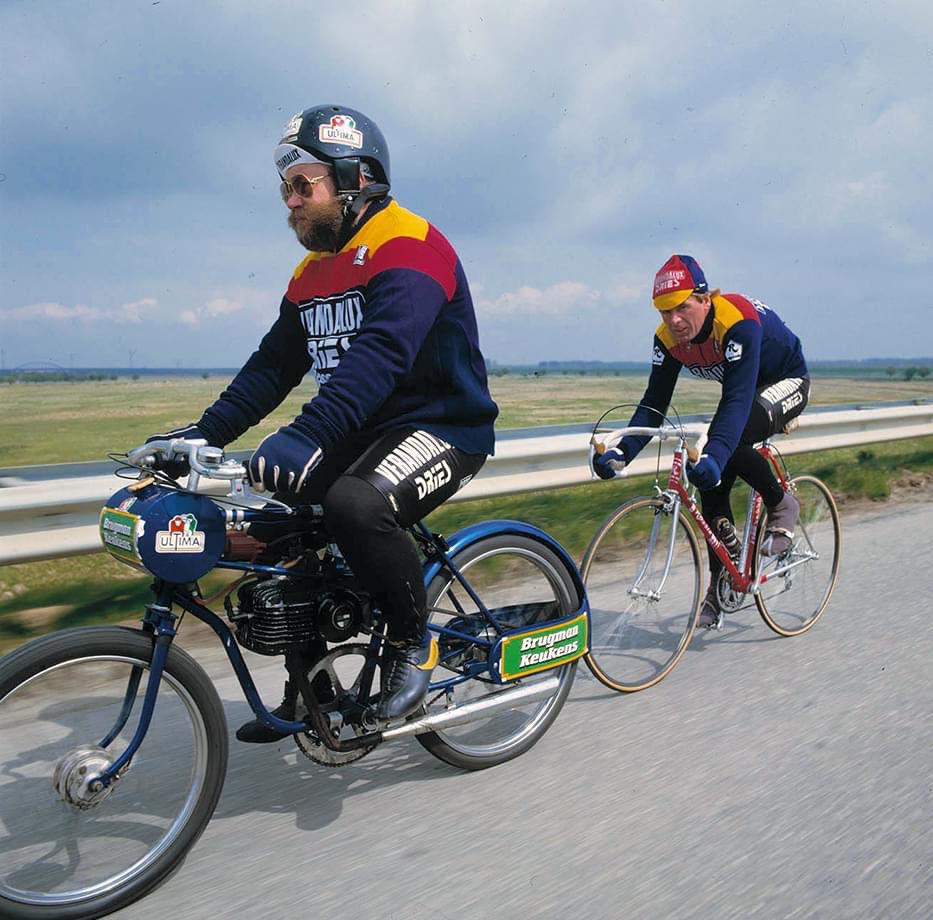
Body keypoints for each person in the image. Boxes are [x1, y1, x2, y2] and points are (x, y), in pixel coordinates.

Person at [148, 104, 498, 737]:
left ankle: (415, 647)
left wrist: (308, 432)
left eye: (301, 186)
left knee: (356, 508)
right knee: (276, 520)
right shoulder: (311, 272)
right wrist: (202, 434)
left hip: (441, 426)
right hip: (362, 431)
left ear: (355, 178)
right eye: (284, 189)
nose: (289, 203)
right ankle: (313, 684)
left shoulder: (411, 245)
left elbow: (383, 352)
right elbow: (272, 366)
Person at [593, 254, 809, 628]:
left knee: (729, 443)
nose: (673, 321)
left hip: (785, 380)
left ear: (705, 299)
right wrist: (620, 452)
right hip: (745, 388)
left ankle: (782, 503)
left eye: (681, 309)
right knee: (708, 475)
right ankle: (721, 581)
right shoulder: (667, 340)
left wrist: (715, 452)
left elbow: (737, 401)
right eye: (664, 312)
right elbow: (653, 404)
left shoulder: (735, 321)